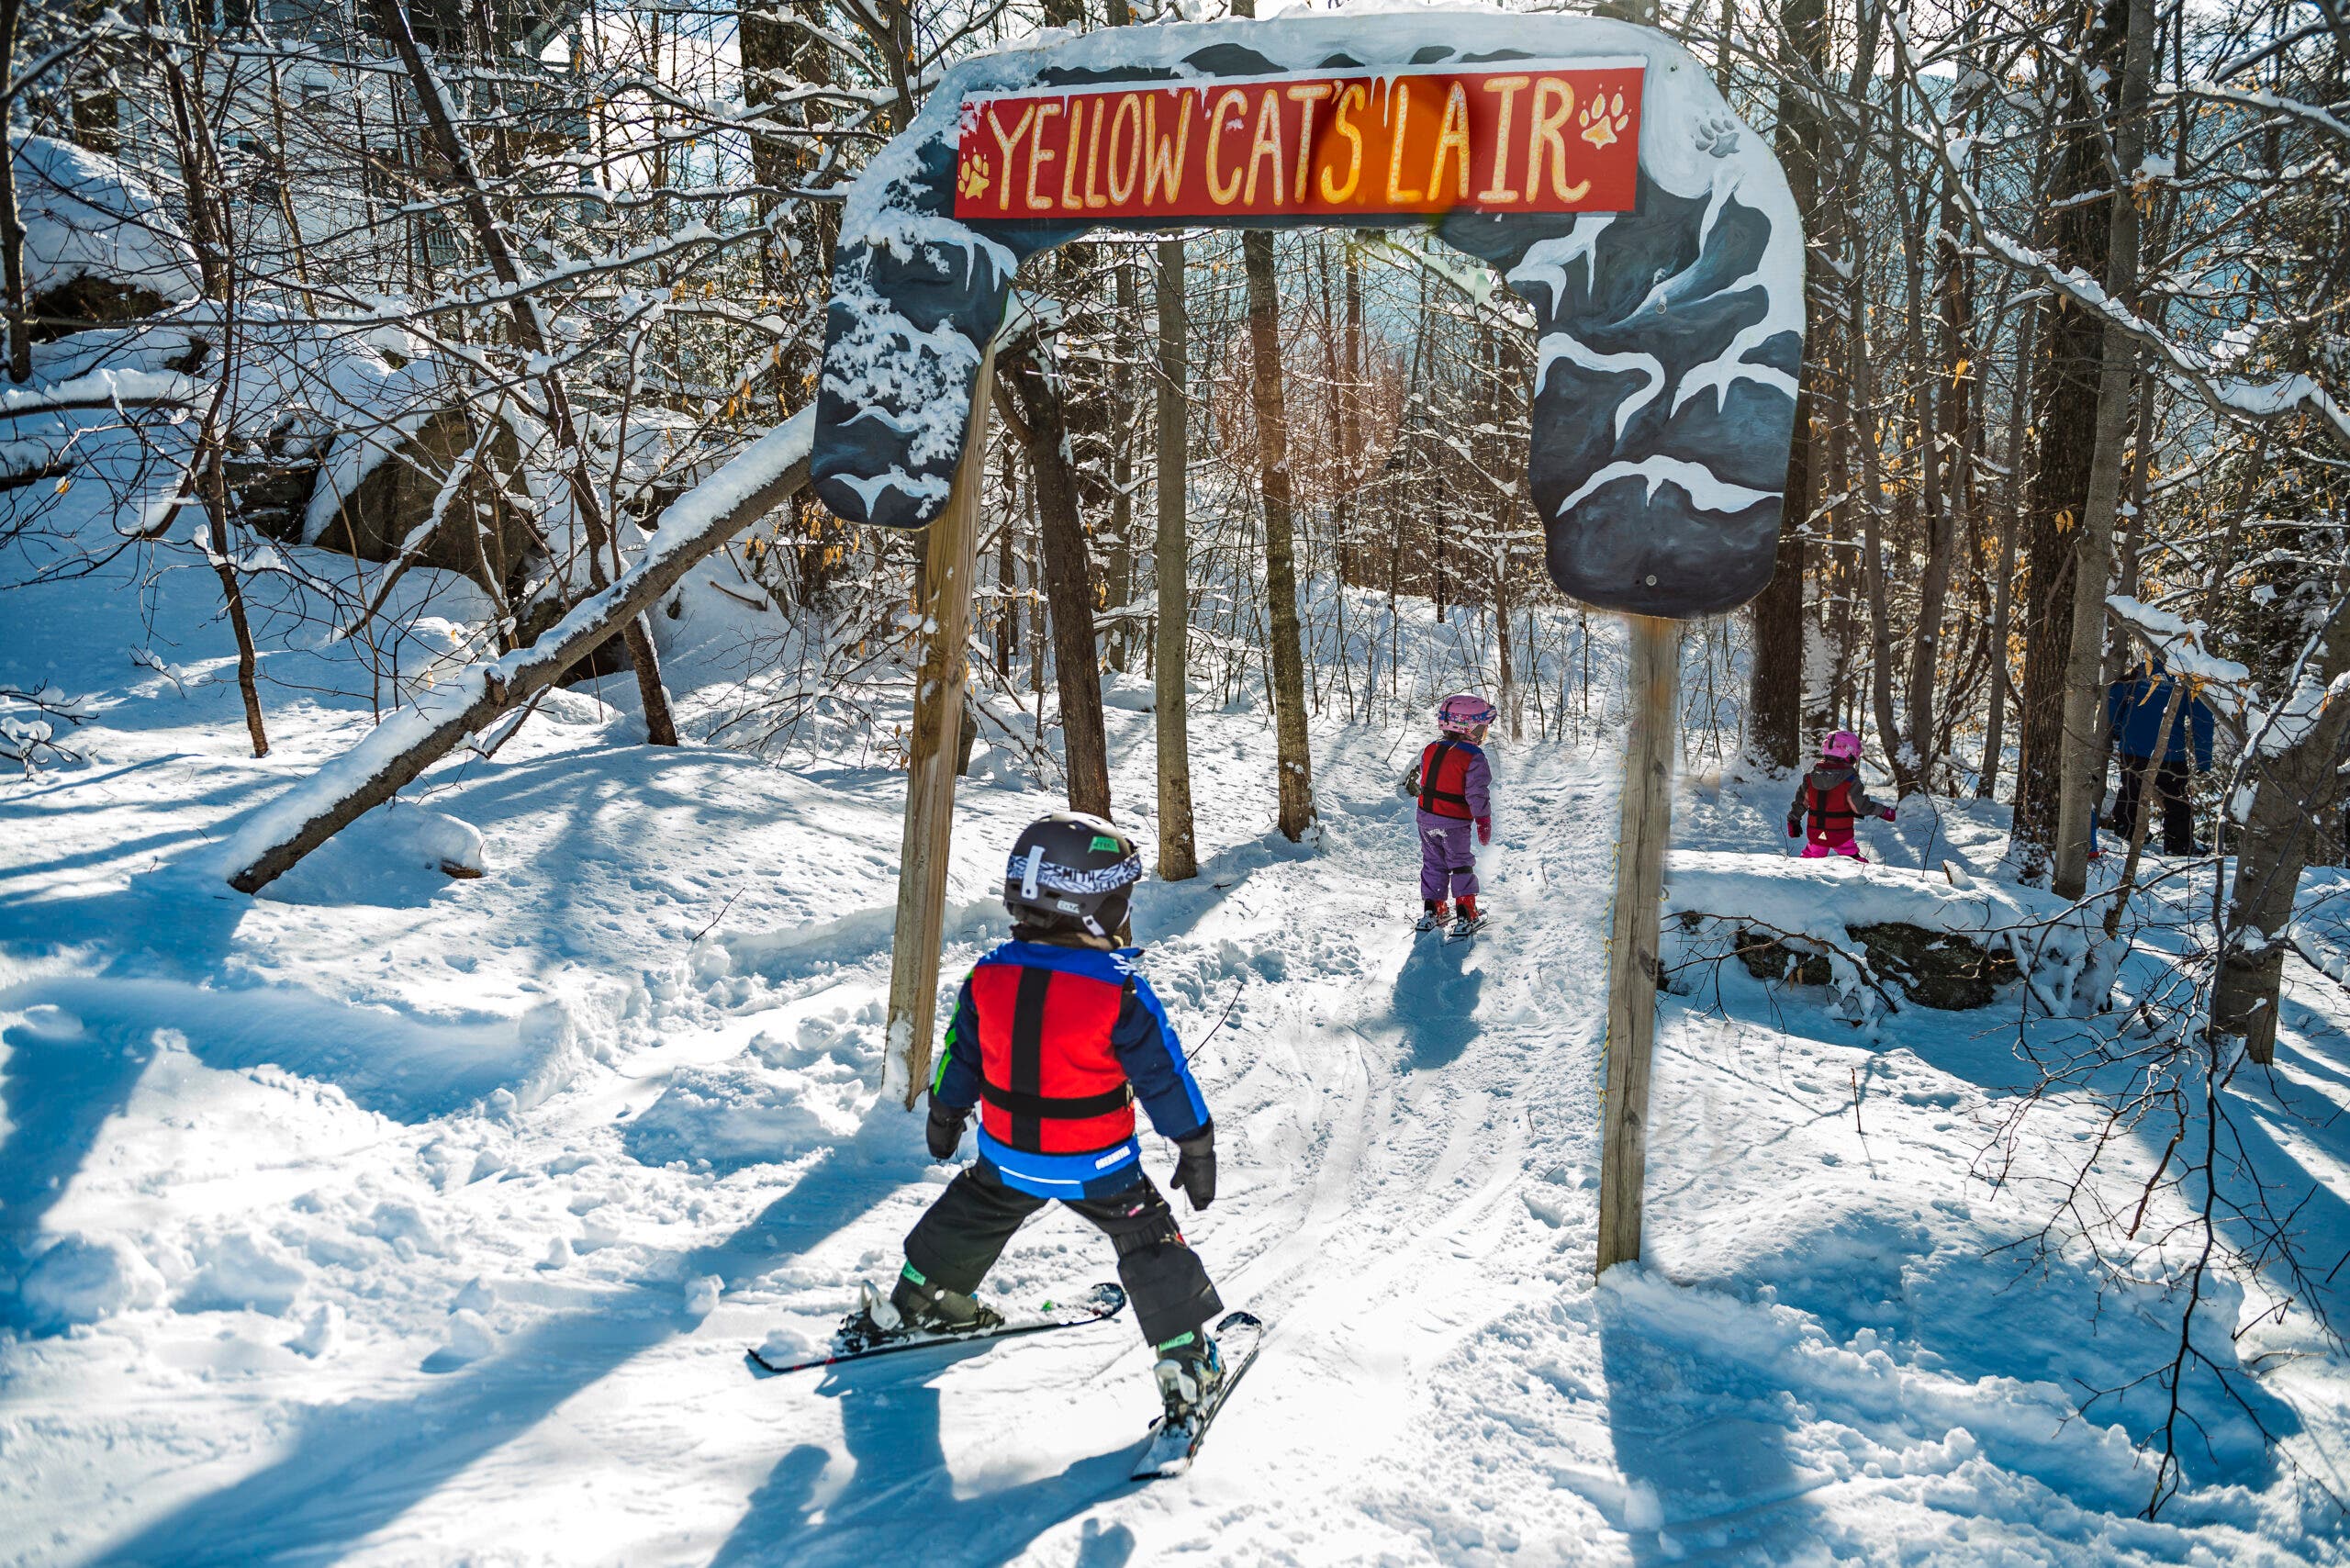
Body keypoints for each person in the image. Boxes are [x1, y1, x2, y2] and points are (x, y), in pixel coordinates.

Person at [863, 812, 1227, 1425]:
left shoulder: (988, 977)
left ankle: (916, 1304)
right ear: (1090, 910)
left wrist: (946, 1113)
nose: (1124, 911)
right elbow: (1164, 1078)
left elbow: (961, 1055)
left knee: (968, 1214)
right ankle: (1184, 1362)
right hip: (1100, 1167)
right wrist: (1196, 1145)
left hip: (1007, 1159)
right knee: (1149, 1244)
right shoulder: (1119, 991)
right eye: (1119, 900)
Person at [1399, 693, 1495, 935]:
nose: (1484, 733)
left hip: (1426, 818)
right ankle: (1466, 911)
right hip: (1454, 823)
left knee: (1433, 862)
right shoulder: (1474, 757)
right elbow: (1477, 793)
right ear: (1469, 728)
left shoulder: (1431, 749)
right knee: (1460, 863)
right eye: (1482, 727)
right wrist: (1483, 820)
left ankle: (1434, 907)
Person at [2106, 657, 2214, 856]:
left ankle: (2125, 831)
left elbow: (2115, 695)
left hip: (2132, 747)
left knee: (2131, 790)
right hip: (2170, 752)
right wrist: (2204, 760)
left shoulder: (2142, 670)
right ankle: (2178, 846)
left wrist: (2119, 729)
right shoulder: (2188, 675)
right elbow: (2203, 720)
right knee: (2176, 800)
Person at [1786, 730, 1896, 860]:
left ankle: (1799, 875)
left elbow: (1801, 803)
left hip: (1816, 832)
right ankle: (1863, 875)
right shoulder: (1850, 779)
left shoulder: (1810, 778)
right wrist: (1883, 811)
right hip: (1841, 833)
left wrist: (1793, 820)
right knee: (1853, 861)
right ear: (1850, 754)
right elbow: (1859, 807)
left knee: (1810, 859)